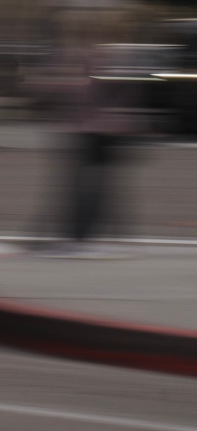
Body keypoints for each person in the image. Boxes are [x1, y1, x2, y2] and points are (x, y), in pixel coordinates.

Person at [42, 17, 143, 255]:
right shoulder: (116, 60)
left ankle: (80, 234)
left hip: (90, 132)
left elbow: (82, 94)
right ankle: (104, 233)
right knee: (99, 187)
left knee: (83, 187)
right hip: (104, 131)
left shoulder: (91, 60)